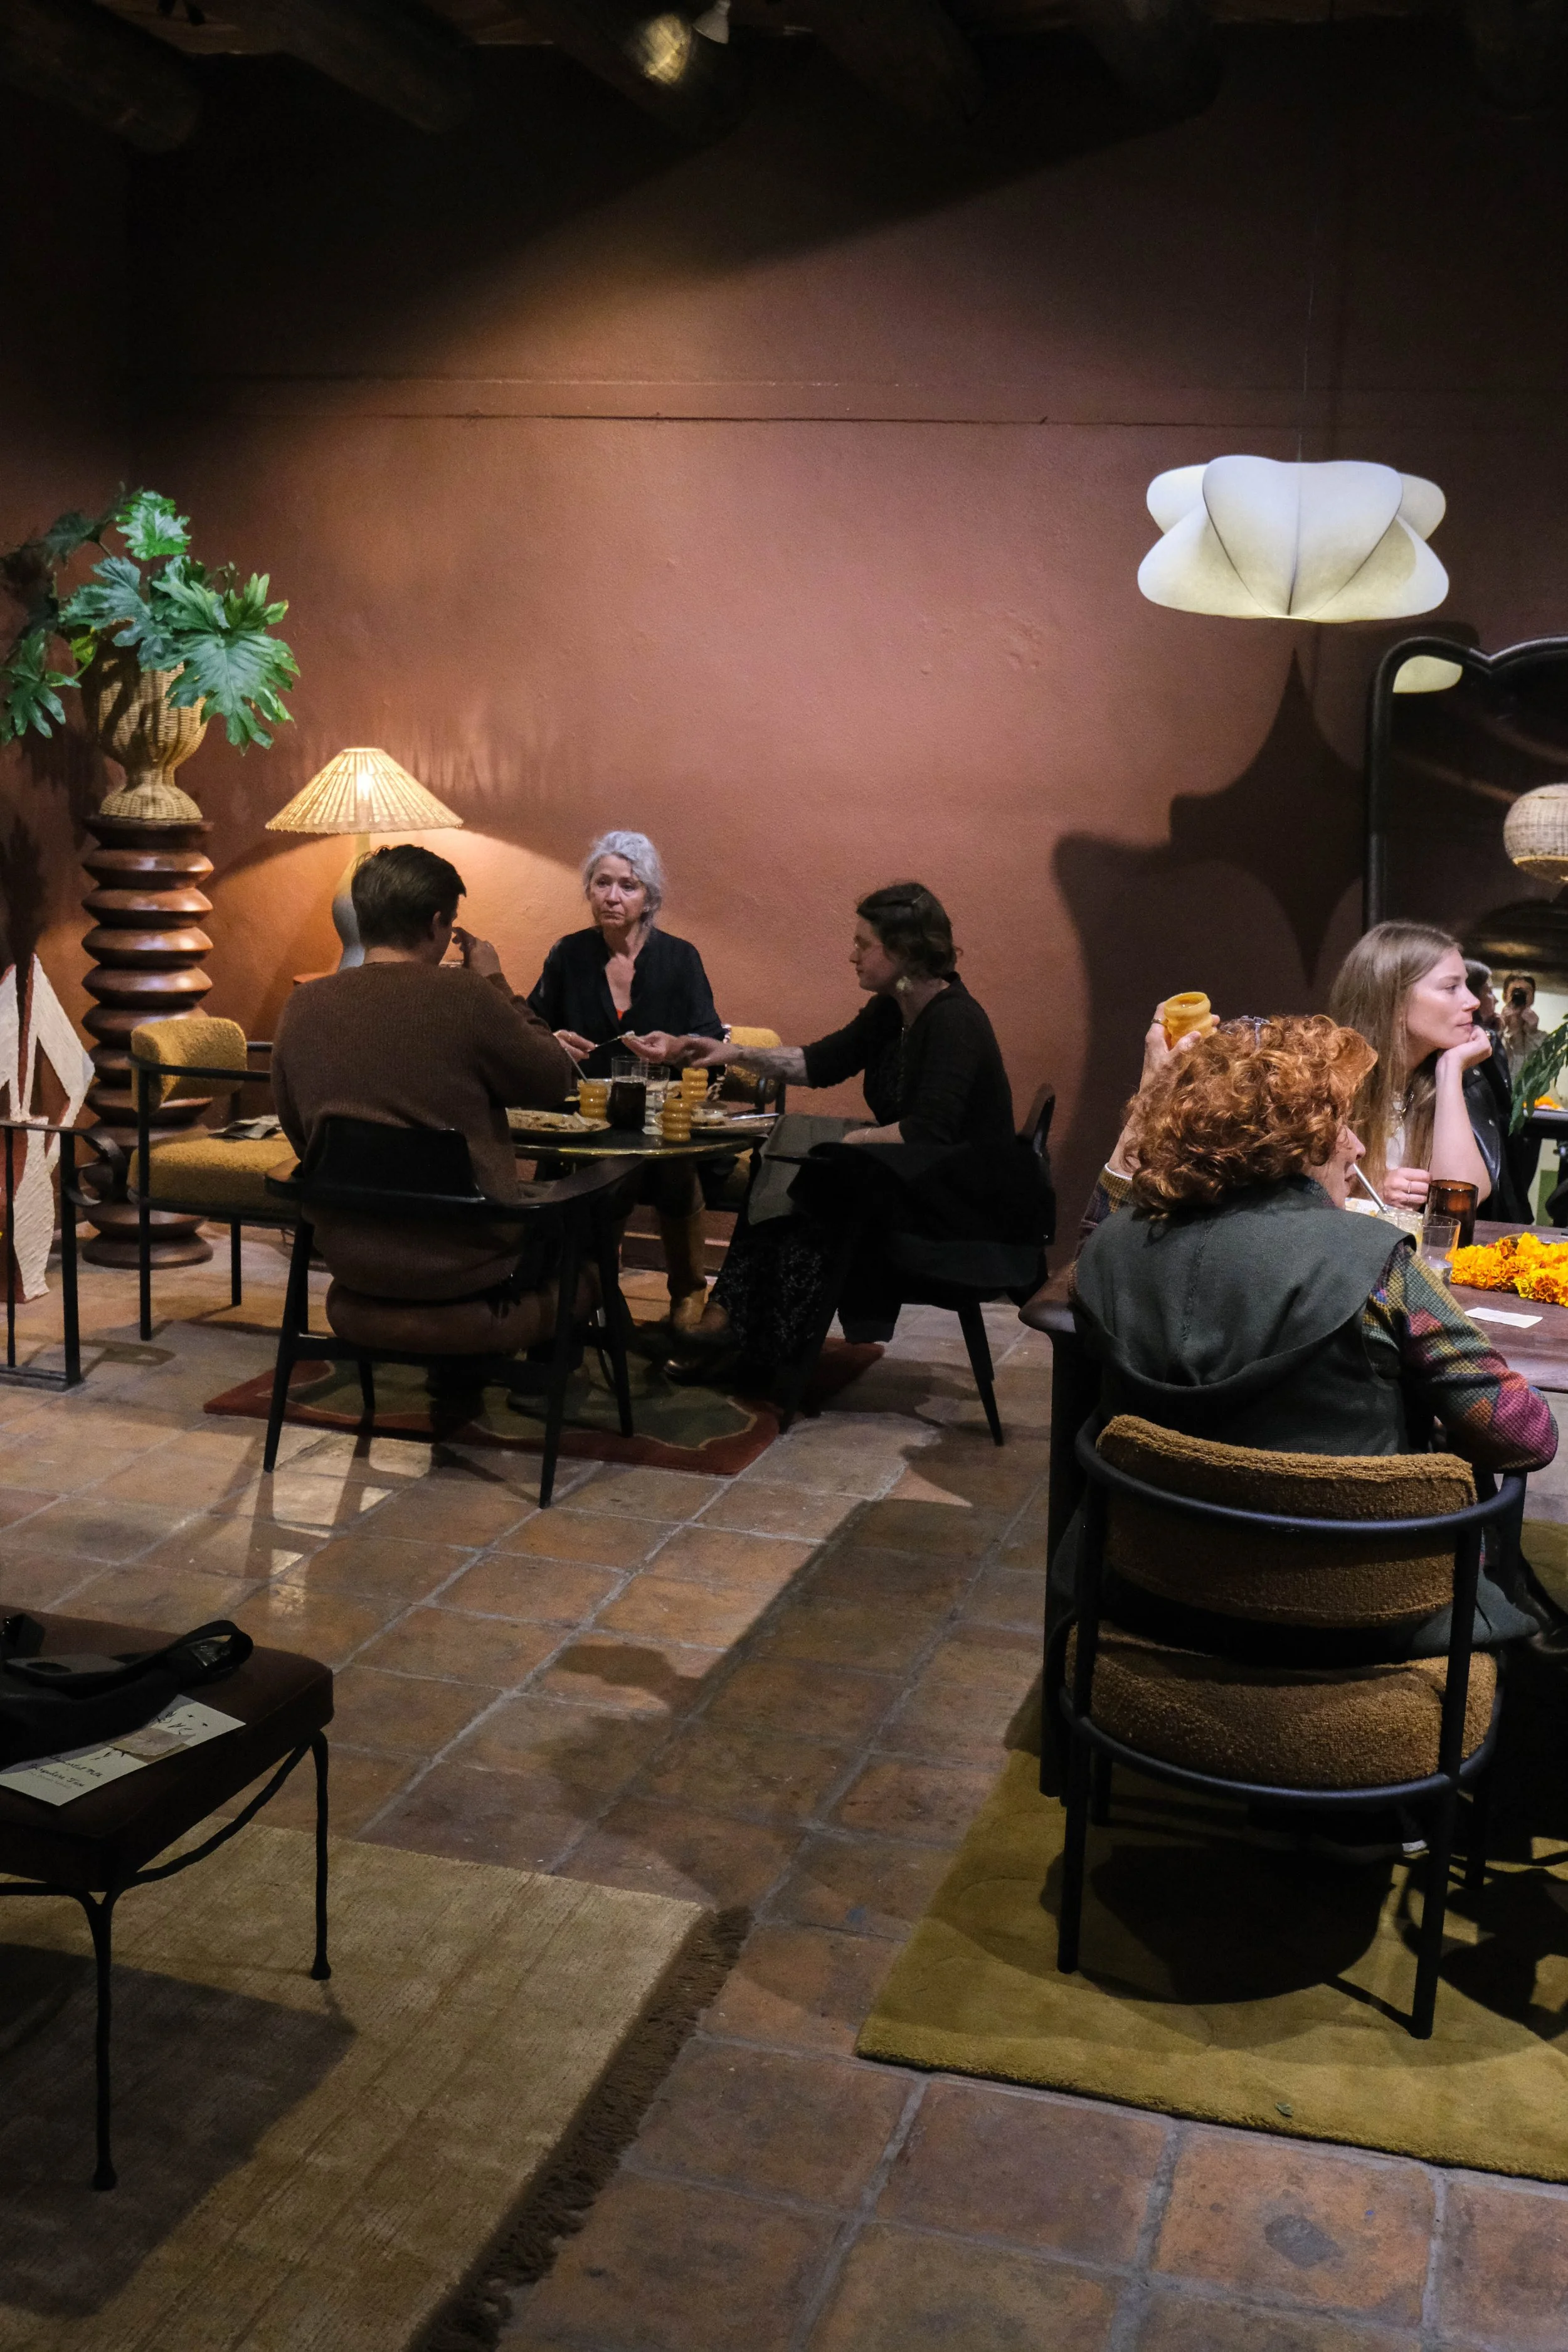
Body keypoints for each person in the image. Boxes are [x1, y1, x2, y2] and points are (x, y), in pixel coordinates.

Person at [635, 882, 1053, 1383]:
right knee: (793, 1153)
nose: (851, 955)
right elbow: (821, 1063)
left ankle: (758, 1346)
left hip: (956, 1209)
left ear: (901, 951)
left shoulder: (954, 1021)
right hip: (918, 1179)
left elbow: (929, 1133)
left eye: (863, 944)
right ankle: (731, 1326)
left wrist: (845, 1147)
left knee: (816, 1180)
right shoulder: (895, 1006)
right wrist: (725, 1052)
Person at [272, 845, 576, 1377]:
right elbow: (553, 1080)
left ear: (362, 918)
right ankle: (550, 1391)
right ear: (438, 923)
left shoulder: (302, 1006)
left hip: (354, 1259)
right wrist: (495, 982)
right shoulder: (465, 996)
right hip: (470, 1265)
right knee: (590, 1219)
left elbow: (300, 1134)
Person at [526, 830, 723, 1331]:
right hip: (585, 1120)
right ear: (589, 890)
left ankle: (685, 1297)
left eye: (628, 886)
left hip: (661, 1119)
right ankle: (597, 1291)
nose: (612, 897)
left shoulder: (680, 959)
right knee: (611, 1165)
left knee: (665, 1163)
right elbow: (529, 1029)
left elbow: (708, 1043)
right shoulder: (568, 955)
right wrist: (553, 1042)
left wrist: (677, 1047)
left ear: (649, 897)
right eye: (602, 883)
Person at [1325, 921, 1500, 1214]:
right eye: (1451, 987)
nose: (1472, 1001)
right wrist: (1366, 1199)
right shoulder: (1323, 1085)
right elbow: (1290, 1208)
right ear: (1395, 1001)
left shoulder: (1451, 1082)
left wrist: (1451, 1069)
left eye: (1467, 986)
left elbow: (1460, 1201)